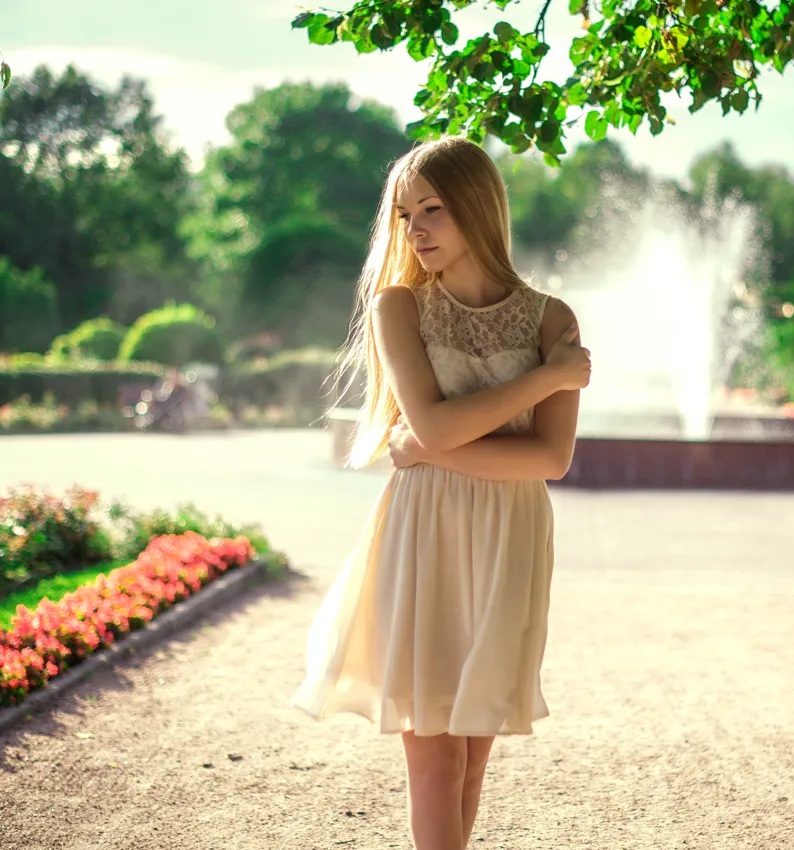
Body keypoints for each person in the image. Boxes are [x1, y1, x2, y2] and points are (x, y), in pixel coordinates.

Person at [291, 136, 591, 850]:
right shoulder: (398, 307)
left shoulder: (554, 319)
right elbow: (424, 423)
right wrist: (546, 380)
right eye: (404, 215)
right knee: (433, 759)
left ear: (478, 208)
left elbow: (550, 458)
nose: (416, 230)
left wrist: (436, 446)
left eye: (432, 210)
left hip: (509, 542)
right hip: (422, 536)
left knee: (471, 763)